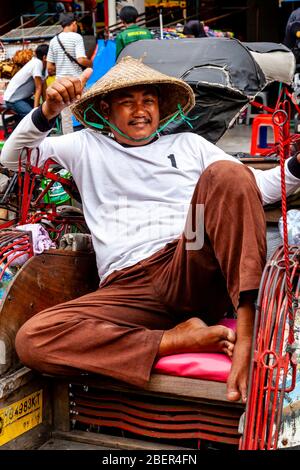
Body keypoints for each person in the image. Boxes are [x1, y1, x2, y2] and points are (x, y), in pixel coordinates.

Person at [1, 57, 300, 404]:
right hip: (127, 286)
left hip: (189, 260)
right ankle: (175, 339)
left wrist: (295, 165)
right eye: (127, 101)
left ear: (160, 107)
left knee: (228, 175)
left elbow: (255, 188)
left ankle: (246, 331)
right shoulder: (84, 146)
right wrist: (48, 110)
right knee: (34, 339)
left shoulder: (189, 145)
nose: (140, 110)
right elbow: (12, 158)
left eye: (149, 100)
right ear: (106, 108)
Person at [47, 13, 92, 134]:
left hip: (61, 82)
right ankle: (88, 136)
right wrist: (90, 63)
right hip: (77, 81)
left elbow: (49, 68)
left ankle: (69, 140)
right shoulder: (76, 37)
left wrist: (62, 69)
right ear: (73, 24)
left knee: (66, 116)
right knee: (84, 109)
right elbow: (81, 59)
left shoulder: (53, 41)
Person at [3, 44, 49, 122]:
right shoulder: (37, 63)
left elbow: (44, 89)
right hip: (13, 99)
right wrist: (35, 110)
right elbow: (38, 88)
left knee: (41, 113)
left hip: (23, 99)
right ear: (45, 57)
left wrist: (46, 105)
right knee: (32, 117)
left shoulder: (44, 67)